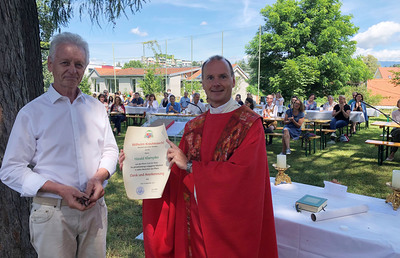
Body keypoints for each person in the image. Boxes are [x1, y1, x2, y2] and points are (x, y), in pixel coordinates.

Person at [120, 55, 278, 257]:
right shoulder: (194, 126)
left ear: (233, 81)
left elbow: (243, 177)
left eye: (222, 76)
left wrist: (192, 167)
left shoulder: (249, 124)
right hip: (192, 222)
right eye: (210, 78)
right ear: (202, 83)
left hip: (227, 229)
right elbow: (176, 173)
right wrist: (138, 167)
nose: (216, 83)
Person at [0, 32, 118, 257]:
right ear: (50, 64)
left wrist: (98, 177)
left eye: (79, 64)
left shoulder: (95, 108)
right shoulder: (32, 113)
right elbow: (10, 170)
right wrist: (60, 189)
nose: (73, 70)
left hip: (94, 210)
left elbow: (110, 150)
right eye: (65, 63)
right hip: (52, 212)